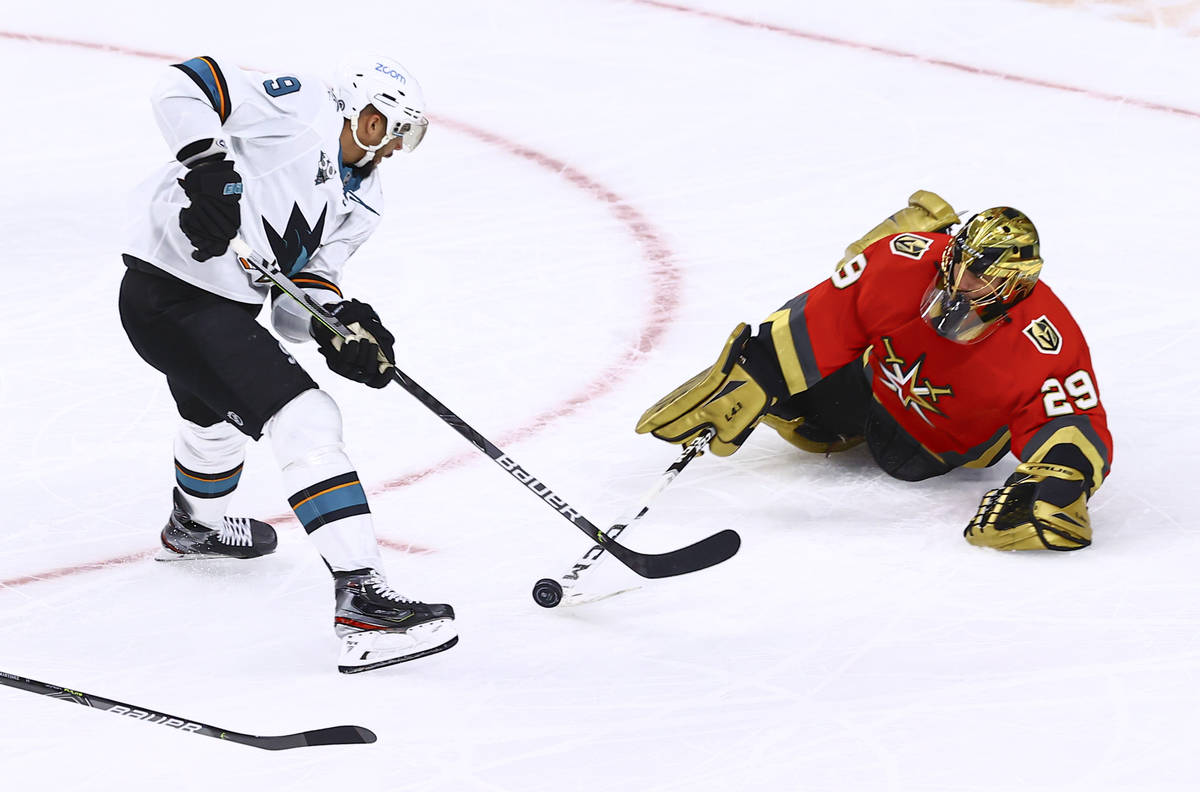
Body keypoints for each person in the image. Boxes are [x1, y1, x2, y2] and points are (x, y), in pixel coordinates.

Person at [118, 54, 456, 673]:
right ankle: (362, 597)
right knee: (306, 417)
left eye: (401, 137)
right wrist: (208, 166)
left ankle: (194, 525)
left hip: (217, 310)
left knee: (214, 417)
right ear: (360, 108)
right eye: (382, 125)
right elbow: (184, 85)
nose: (386, 147)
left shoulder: (366, 202)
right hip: (169, 292)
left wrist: (340, 329)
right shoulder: (303, 106)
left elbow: (297, 299)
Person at [636, 191, 1112, 551]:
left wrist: (1057, 485)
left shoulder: (1047, 338)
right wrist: (759, 370)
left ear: (1015, 285)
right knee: (806, 417)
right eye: (958, 263)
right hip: (875, 381)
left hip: (935, 441)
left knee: (899, 464)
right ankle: (884, 253)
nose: (959, 283)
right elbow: (829, 314)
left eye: (980, 278)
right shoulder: (906, 262)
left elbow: (1072, 418)